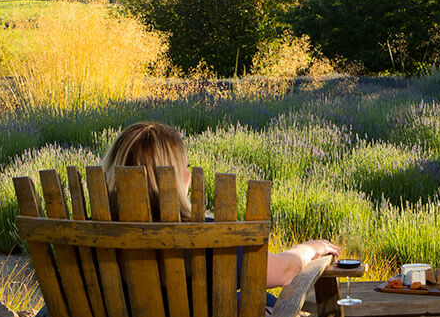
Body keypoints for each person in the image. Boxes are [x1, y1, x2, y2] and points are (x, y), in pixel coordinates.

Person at [103, 120, 338, 290]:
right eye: (184, 166)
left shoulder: (93, 235)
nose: (188, 174)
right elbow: (282, 271)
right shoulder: (205, 235)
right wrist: (309, 248)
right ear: (172, 177)